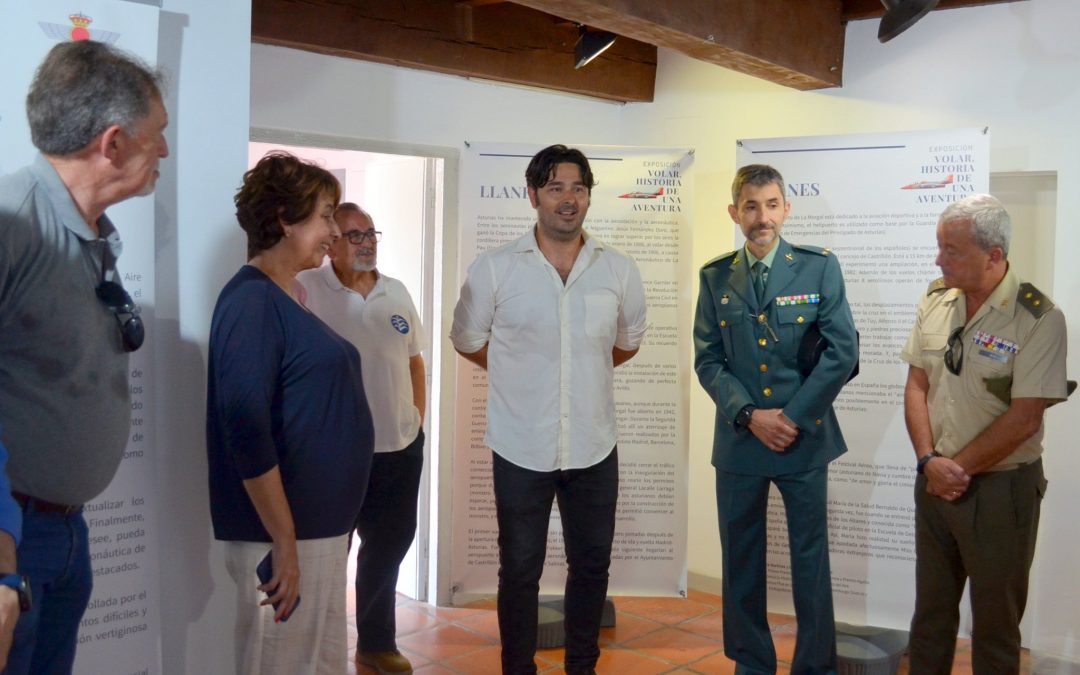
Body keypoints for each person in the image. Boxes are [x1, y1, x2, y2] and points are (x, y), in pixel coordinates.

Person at [0, 40, 167, 673]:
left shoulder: (89, 234)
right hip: (15, 536)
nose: (165, 151)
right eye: (158, 134)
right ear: (114, 143)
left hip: (66, 530)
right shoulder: (12, 223)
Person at [450, 144, 647, 675]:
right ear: (533, 194)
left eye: (578, 188)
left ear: (589, 196)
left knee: (592, 565)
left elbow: (627, 343)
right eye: (556, 187)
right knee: (519, 570)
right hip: (520, 445)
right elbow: (467, 340)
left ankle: (582, 666)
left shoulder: (619, 269)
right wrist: (518, 374)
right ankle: (518, 668)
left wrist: (577, 372)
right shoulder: (495, 268)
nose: (568, 199)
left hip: (593, 445)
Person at [206, 152, 375, 675]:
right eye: (325, 217)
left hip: (316, 530)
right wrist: (283, 540)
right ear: (284, 219)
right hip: (283, 537)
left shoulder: (284, 298)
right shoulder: (252, 302)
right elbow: (246, 429)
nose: (334, 232)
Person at [693, 164, 858, 675]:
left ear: (786, 209)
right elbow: (708, 360)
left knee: (810, 561)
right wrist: (749, 415)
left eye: (770, 205)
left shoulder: (818, 268)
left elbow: (843, 352)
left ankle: (815, 667)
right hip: (741, 441)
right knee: (740, 560)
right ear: (734, 212)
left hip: (803, 439)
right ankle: (752, 664)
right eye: (750, 206)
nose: (761, 217)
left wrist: (792, 417)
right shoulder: (715, 276)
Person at [900, 194, 1068, 674]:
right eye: (939, 246)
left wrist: (953, 470)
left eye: (951, 250)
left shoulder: (1039, 318)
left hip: (1000, 491)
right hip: (934, 480)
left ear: (993, 255)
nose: (939, 259)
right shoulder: (936, 300)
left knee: (995, 627)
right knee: (930, 618)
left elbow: (1025, 417)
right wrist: (929, 461)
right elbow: (917, 385)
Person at [297, 203, 426, 675]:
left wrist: (416, 421)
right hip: (336, 454)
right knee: (329, 553)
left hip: (399, 449)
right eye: (355, 235)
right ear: (331, 243)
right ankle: (317, 648)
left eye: (371, 233)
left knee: (389, 547)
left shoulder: (396, 291)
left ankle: (375, 645)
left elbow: (413, 361)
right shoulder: (306, 289)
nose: (367, 242)